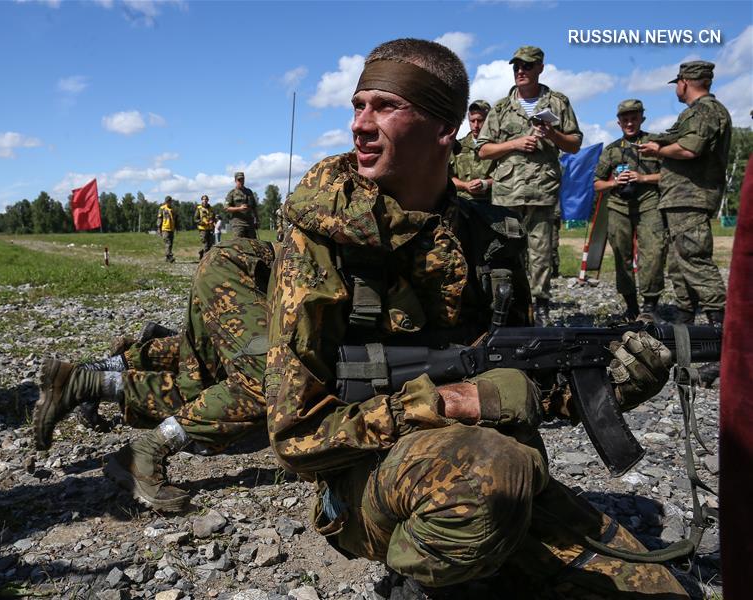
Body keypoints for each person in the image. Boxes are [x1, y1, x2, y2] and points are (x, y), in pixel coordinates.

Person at [266, 38, 688, 598]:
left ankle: (480, 545)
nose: (361, 125)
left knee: (662, 590)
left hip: (499, 476)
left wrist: (613, 384)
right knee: (484, 477)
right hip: (369, 481)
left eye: (385, 106)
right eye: (357, 105)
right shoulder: (321, 239)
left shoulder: (492, 237)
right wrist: (449, 402)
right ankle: (419, 578)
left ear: (447, 130)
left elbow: (526, 378)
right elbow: (295, 437)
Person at [34, 238, 274, 511]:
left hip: (239, 262)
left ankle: (89, 381)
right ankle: (146, 451)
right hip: (251, 268)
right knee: (269, 382)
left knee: (202, 383)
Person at [476, 46, 582, 326]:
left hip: (541, 190)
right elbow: (483, 150)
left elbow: (574, 144)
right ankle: (507, 306)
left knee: (541, 253)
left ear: (540, 68)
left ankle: (542, 308)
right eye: (516, 67)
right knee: (504, 252)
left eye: (527, 66)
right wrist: (515, 143)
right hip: (507, 192)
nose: (520, 71)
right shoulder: (500, 107)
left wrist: (553, 133)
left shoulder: (557, 102)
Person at [638, 61, 731, 329]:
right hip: (680, 198)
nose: (676, 88)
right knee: (680, 266)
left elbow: (690, 149)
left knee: (695, 260)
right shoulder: (699, 112)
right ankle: (686, 325)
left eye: (677, 83)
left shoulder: (705, 111)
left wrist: (657, 150)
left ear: (685, 82)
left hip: (691, 197)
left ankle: (722, 331)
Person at [594, 99, 665, 319]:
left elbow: (670, 175)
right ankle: (631, 305)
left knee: (653, 253)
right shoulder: (612, 150)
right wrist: (615, 182)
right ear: (619, 122)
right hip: (619, 206)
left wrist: (643, 177)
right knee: (621, 256)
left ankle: (650, 305)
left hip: (649, 203)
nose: (630, 123)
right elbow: (597, 183)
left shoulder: (654, 143)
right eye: (625, 119)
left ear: (642, 118)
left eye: (634, 118)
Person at [450, 99, 494, 202]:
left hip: (492, 203)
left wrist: (486, 184)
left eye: (480, 120)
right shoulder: (457, 146)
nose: (476, 125)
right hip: (463, 203)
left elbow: (508, 178)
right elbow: (447, 177)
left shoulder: (498, 146)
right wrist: (465, 185)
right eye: (472, 121)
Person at [224, 172, 258, 239]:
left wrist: (257, 220)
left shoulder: (249, 192)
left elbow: (254, 207)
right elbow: (226, 208)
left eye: (242, 179)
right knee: (239, 245)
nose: (241, 182)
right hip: (238, 224)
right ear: (235, 181)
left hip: (250, 223)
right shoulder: (232, 193)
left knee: (253, 244)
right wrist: (239, 208)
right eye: (239, 180)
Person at [193, 194, 216, 260]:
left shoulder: (211, 208)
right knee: (205, 244)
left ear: (208, 200)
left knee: (210, 244)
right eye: (203, 199)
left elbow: (214, 218)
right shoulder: (199, 208)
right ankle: (206, 260)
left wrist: (213, 221)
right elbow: (195, 219)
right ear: (202, 200)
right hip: (202, 229)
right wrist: (203, 223)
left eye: (206, 199)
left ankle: (201, 253)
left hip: (210, 228)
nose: (205, 200)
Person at [157, 196, 176, 263]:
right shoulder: (162, 208)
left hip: (171, 229)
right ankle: (170, 257)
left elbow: (175, 219)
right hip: (165, 228)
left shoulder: (172, 209)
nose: (168, 202)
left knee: (170, 244)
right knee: (168, 243)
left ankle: (167, 258)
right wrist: (159, 228)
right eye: (167, 201)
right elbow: (159, 219)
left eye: (170, 201)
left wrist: (176, 228)